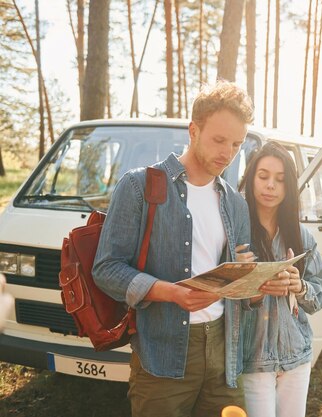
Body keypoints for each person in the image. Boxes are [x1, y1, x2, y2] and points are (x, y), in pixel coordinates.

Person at [93, 82, 256, 417]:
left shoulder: (236, 203)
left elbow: (235, 280)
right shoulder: (139, 185)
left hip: (224, 355)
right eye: (219, 140)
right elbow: (107, 268)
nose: (228, 152)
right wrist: (171, 293)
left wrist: (250, 277)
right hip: (162, 353)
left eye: (237, 144)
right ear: (193, 130)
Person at [235, 142, 322, 417]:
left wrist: (299, 286)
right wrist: (252, 291)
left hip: (296, 357)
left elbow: (319, 295)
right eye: (263, 176)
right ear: (251, 178)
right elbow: (219, 299)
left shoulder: (301, 236)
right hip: (253, 359)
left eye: (280, 179)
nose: (271, 186)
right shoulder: (236, 234)